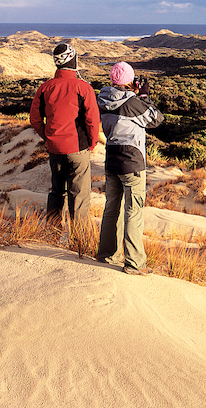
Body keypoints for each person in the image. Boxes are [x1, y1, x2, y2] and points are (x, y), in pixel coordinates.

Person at [96, 61, 162, 274]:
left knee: (111, 207)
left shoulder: (102, 98)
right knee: (134, 211)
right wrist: (143, 97)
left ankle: (107, 255)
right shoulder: (132, 103)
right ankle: (134, 263)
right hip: (132, 160)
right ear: (131, 81)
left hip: (112, 156)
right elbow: (156, 119)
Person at [30, 42, 102, 223]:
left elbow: (35, 119)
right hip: (78, 148)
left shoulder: (45, 88)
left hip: (55, 148)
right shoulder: (84, 88)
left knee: (56, 191)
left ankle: (52, 234)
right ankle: (78, 242)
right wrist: (92, 143)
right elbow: (92, 120)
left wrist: (48, 137)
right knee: (79, 195)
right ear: (73, 61)